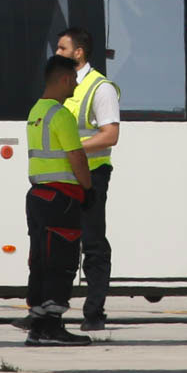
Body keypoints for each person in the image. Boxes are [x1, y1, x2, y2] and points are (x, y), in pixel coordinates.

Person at [23, 55, 95, 346]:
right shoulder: (61, 115)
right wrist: (88, 188)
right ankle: (53, 327)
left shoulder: (36, 111)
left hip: (38, 196)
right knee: (62, 260)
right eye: (75, 79)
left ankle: (38, 324)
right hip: (61, 198)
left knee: (41, 259)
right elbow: (76, 156)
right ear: (64, 79)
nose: (77, 85)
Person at [58, 27, 119, 332]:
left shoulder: (100, 88)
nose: (56, 54)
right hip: (63, 175)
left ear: (78, 53)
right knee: (57, 244)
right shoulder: (60, 85)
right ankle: (49, 311)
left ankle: (94, 311)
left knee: (93, 244)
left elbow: (111, 135)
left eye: (62, 49)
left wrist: (71, 145)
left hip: (92, 176)